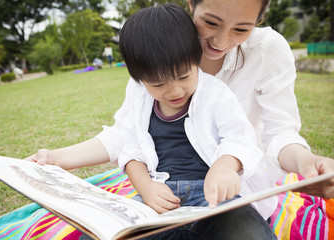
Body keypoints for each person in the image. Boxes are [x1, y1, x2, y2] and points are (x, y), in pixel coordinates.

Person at [28, 0, 334, 216]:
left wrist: (306, 161)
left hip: (233, 191)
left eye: (242, 29)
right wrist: (56, 158)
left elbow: (278, 134)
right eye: (211, 22)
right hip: (165, 194)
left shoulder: (267, 52)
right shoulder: (157, 52)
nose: (221, 41)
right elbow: (126, 136)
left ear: (259, 20)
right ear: (192, 5)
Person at [114, 4, 276, 239]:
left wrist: (224, 167)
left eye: (184, 76)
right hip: (160, 198)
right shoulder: (138, 97)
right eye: (158, 84)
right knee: (111, 233)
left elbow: (240, 139)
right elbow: (130, 151)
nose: (174, 91)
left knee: (249, 233)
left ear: (195, 60)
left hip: (214, 198)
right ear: (140, 79)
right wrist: (146, 189)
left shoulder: (216, 94)